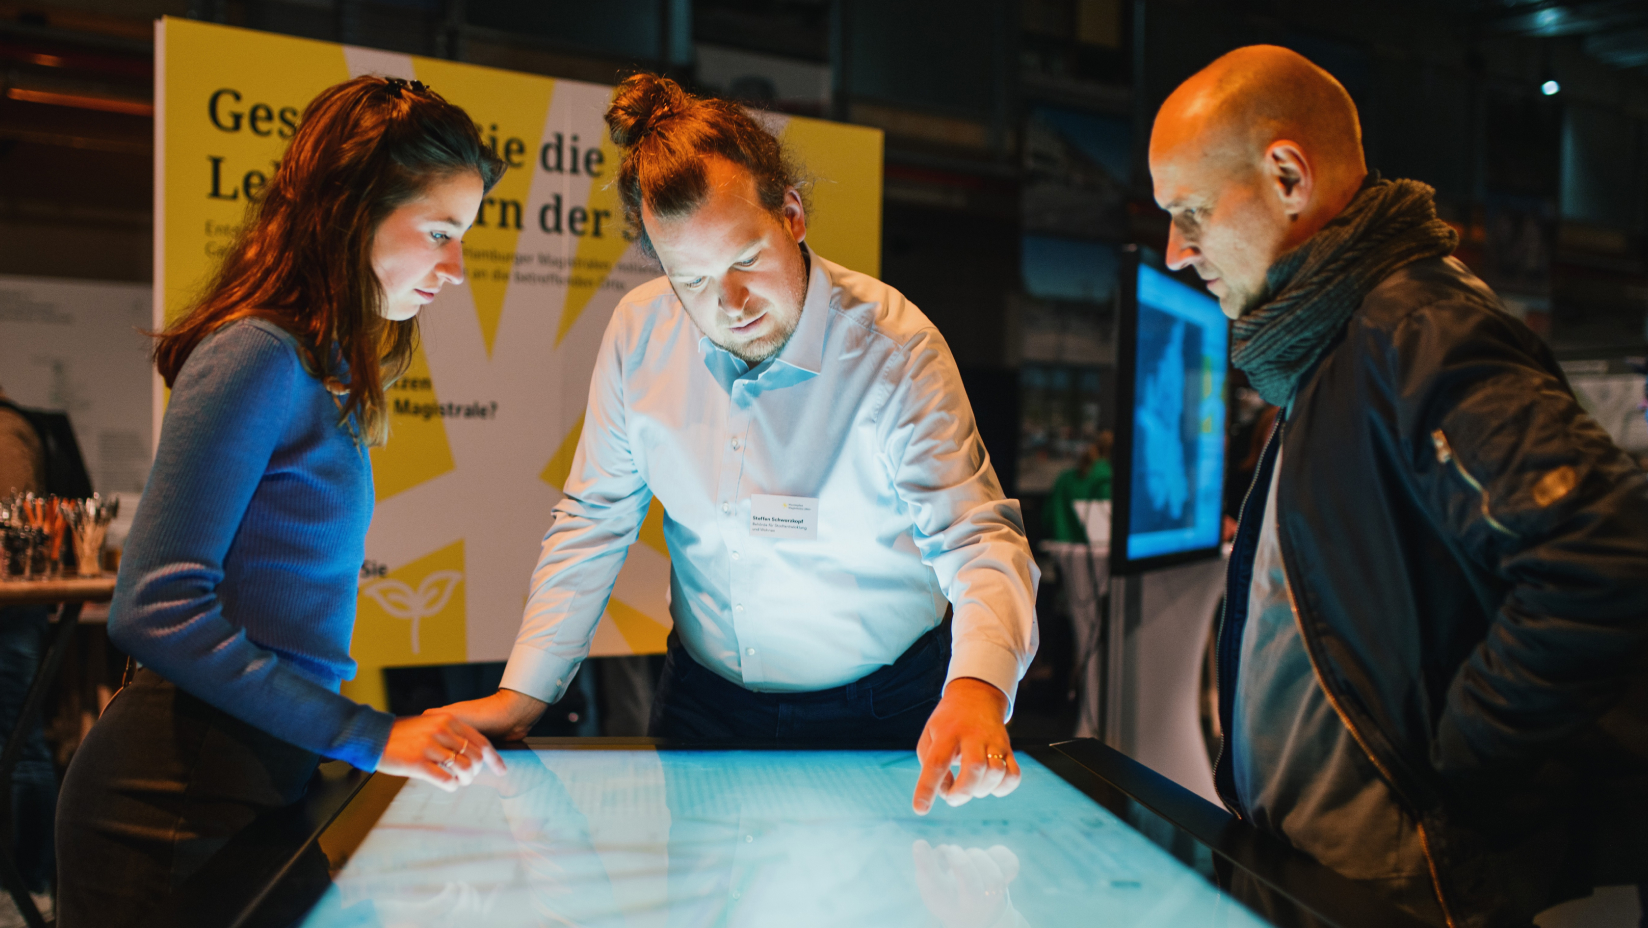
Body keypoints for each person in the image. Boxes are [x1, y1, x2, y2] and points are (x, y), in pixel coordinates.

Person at [432, 74, 1039, 815]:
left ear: (792, 214)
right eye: (691, 280)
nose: (731, 304)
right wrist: (523, 695)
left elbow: (978, 540)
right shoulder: (639, 333)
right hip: (704, 705)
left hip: (885, 708)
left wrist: (977, 690)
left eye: (745, 259)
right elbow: (594, 520)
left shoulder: (894, 350)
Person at [1149, 45, 1648, 927]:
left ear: (1288, 177)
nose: (1178, 251)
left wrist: (1459, 763)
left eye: (1190, 212)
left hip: (1399, 890)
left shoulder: (1416, 332)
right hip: (1329, 877)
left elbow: (1602, 557)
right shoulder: (1333, 343)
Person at [55, 76, 507, 927]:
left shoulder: (316, 370)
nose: (454, 270)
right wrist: (373, 736)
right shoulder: (255, 354)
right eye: (440, 233)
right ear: (352, 211)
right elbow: (154, 607)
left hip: (256, 780)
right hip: (170, 798)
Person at [1042, 430, 1113, 544]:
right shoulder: (1109, 479)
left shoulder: (1064, 478)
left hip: (1060, 549)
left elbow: (1047, 519)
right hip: (1098, 551)